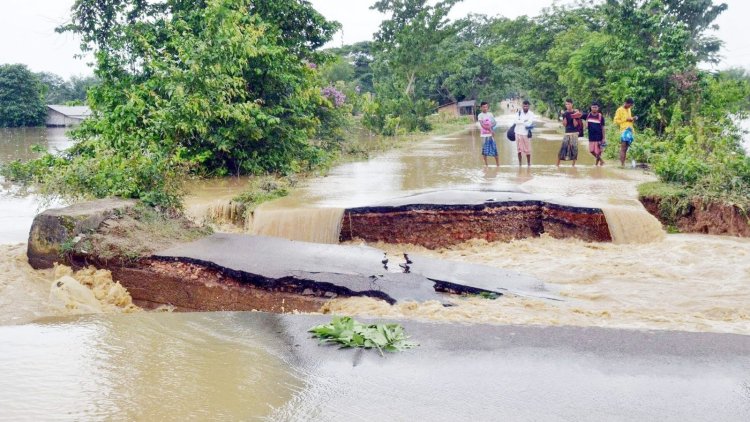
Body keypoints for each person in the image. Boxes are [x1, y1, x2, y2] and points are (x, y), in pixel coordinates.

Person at [557, 98, 582, 167]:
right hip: (567, 132)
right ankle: (557, 165)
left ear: (572, 104)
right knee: (563, 148)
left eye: (568, 104)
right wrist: (564, 116)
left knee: (574, 149)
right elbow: (565, 124)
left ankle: (573, 165)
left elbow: (575, 124)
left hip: (574, 133)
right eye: (566, 104)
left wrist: (574, 116)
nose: (567, 105)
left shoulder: (576, 112)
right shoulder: (565, 113)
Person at [614, 98, 637, 167]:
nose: (630, 107)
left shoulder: (629, 109)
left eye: (631, 105)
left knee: (628, 148)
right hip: (624, 131)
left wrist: (633, 119)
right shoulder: (619, 110)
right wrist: (626, 119)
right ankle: (622, 164)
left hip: (630, 130)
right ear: (626, 103)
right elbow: (616, 121)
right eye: (630, 105)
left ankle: (625, 164)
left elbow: (629, 120)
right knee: (623, 147)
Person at [513, 100, 535, 167]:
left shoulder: (531, 114)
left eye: (527, 106)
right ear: (522, 106)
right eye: (524, 106)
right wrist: (524, 121)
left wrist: (521, 121)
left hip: (526, 134)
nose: (525, 107)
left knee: (528, 150)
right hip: (518, 133)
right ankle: (520, 164)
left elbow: (529, 123)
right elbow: (515, 121)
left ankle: (528, 164)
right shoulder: (518, 113)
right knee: (519, 150)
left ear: (529, 106)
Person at [477, 101, 499, 167]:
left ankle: (498, 165)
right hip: (484, 135)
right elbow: (482, 125)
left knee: (495, 149)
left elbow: (495, 123)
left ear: (488, 107)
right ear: (481, 108)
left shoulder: (490, 114)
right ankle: (486, 165)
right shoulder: (480, 115)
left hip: (491, 135)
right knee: (484, 151)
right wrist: (490, 129)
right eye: (483, 107)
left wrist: (491, 128)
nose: (485, 108)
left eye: (486, 107)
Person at [583, 101, 606, 166]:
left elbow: (603, 128)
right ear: (591, 107)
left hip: (599, 137)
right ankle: (601, 161)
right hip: (591, 136)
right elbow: (579, 116)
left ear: (598, 108)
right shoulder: (587, 115)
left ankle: (596, 165)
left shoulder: (601, 117)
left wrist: (604, 138)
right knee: (591, 151)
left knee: (598, 152)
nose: (594, 108)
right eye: (593, 107)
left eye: (595, 107)